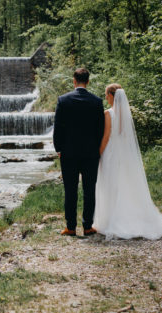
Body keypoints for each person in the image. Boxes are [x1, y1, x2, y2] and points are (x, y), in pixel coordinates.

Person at [93, 84, 162, 239]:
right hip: (124, 155)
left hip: (111, 154)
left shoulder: (108, 114)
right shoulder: (126, 115)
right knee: (125, 184)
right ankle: (128, 215)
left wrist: (98, 154)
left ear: (112, 95)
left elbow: (106, 137)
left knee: (110, 184)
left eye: (106, 94)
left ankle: (110, 219)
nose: (105, 97)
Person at [53, 68, 105, 236]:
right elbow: (100, 129)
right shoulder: (96, 101)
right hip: (90, 153)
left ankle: (71, 227)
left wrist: (58, 148)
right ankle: (88, 226)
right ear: (88, 81)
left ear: (74, 81)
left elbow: (58, 128)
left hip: (69, 152)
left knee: (70, 189)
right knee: (90, 189)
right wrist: (96, 148)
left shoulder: (63, 100)